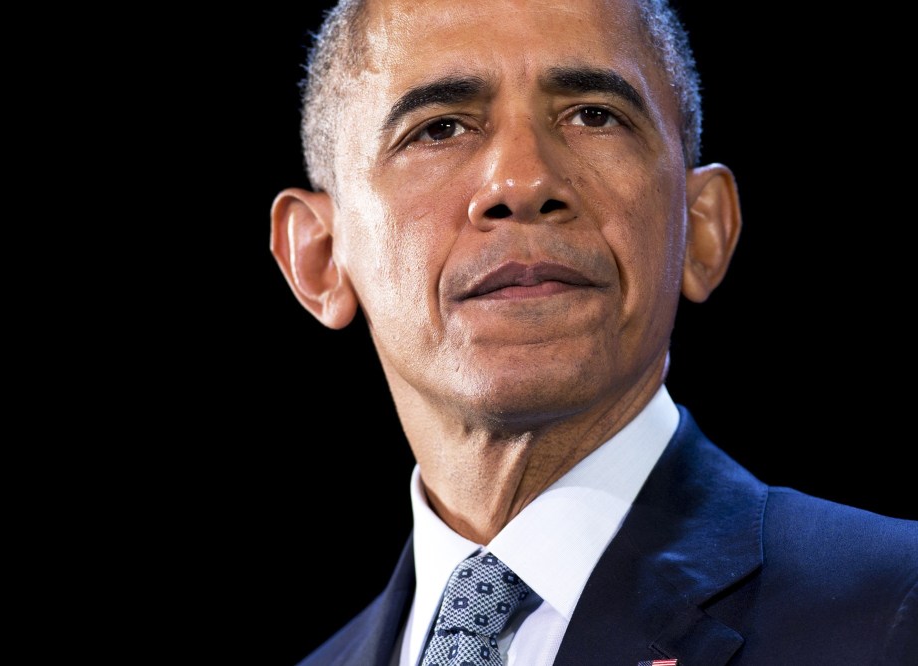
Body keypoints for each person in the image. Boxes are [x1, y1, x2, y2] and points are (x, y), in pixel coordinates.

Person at [269, 0, 918, 663]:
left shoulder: (897, 609)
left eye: (594, 116)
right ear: (319, 258)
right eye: (440, 128)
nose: (522, 182)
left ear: (702, 229)